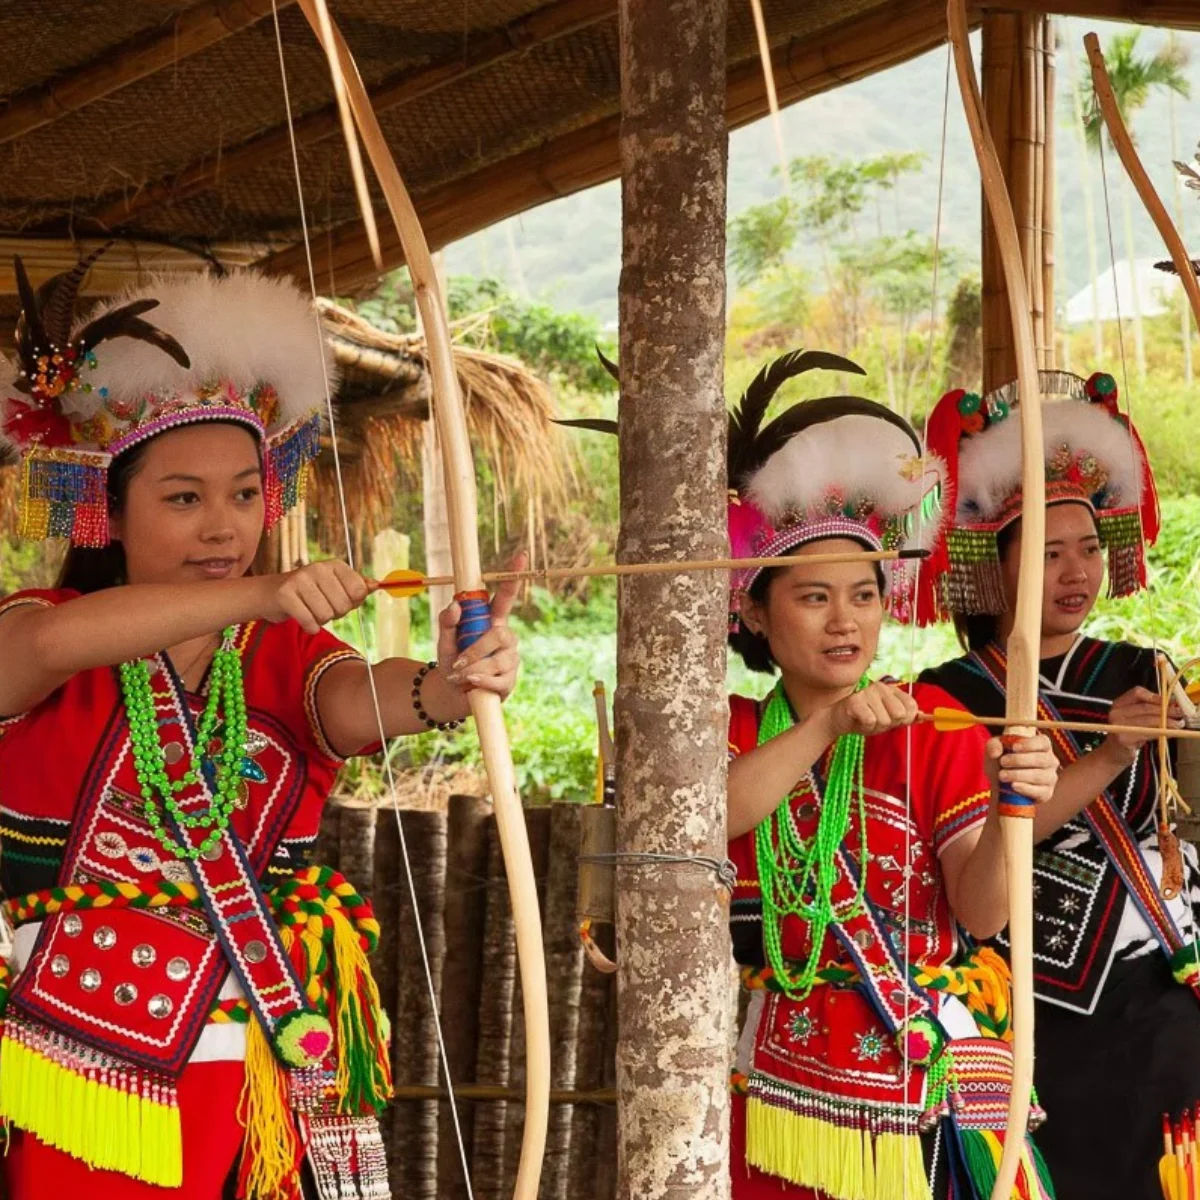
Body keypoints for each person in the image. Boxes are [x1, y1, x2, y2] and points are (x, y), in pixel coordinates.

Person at [0, 260, 520, 1199]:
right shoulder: (44, 631)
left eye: (245, 495)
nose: (223, 526)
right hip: (76, 1076)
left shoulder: (286, 657)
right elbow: (43, 646)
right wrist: (262, 593)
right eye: (184, 498)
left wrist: (450, 683)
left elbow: (361, 701)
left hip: (265, 1079)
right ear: (107, 510)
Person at [722, 354, 1060, 1200]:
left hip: (930, 1090)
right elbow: (706, 817)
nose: (847, 622)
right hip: (777, 1091)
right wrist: (829, 725)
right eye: (813, 598)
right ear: (757, 611)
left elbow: (980, 914)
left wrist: (1015, 805)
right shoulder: (727, 727)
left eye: (865, 595)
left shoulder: (933, 722)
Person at [919, 369, 1200, 1200]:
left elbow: (1180, 816)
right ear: (995, 565)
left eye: (1087, 548)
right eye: (1048, 551)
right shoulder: (953, 694)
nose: (1076, 570)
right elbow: (1003, 828)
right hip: (1023, 981)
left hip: (1150, 967)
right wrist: (1109, 753)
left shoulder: (1140, 669)